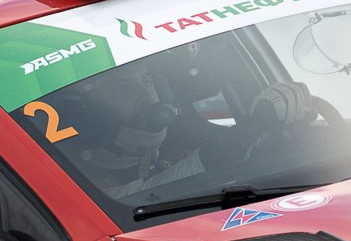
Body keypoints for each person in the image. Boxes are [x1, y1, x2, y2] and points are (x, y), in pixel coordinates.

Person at [65, 61, 317, 200]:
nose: (145, 94)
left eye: (148, 82)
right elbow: (153, 192)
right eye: (122, 88)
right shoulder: (75, 177)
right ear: (90, 110)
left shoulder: (180, 138)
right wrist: (253, 124)